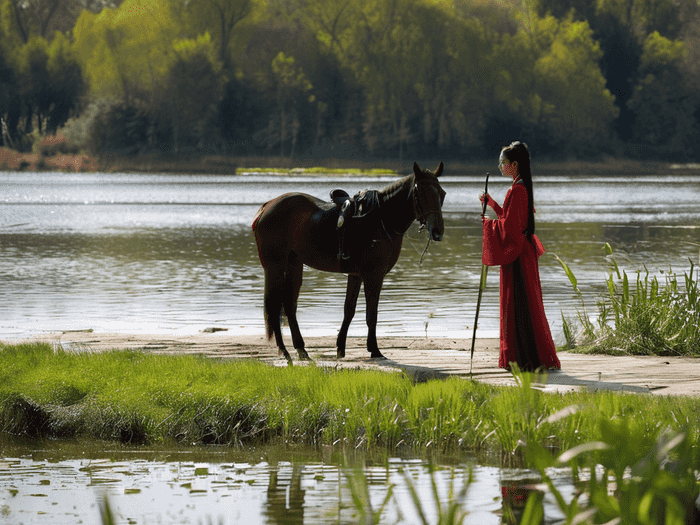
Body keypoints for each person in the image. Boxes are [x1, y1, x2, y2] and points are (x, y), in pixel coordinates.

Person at [479, 141, 561, 371]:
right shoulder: (520, 188)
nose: (500, 167)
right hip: (521, 252)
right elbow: (509, 218)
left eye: (503, 163)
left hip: (517, 256)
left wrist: (487, 225)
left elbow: (510, 228)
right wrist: (491, 203)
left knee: (518, 305)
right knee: (522, 304)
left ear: (514, 165)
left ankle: (523, 359)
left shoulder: (518, 189)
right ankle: (525, 357)